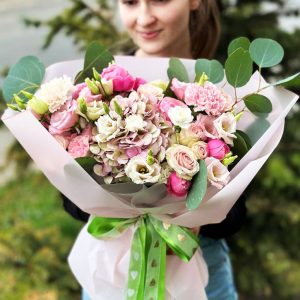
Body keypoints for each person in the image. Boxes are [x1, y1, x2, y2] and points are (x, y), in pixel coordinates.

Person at [64, 0, 247, 299]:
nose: (144, 18)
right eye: (130, 3)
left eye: (160, 0)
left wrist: (194, 219)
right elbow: (70, 197)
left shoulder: (224, 93)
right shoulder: (98, 89)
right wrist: (120, 213)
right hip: (111, 277)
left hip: (202, 276)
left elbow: (237, 213)